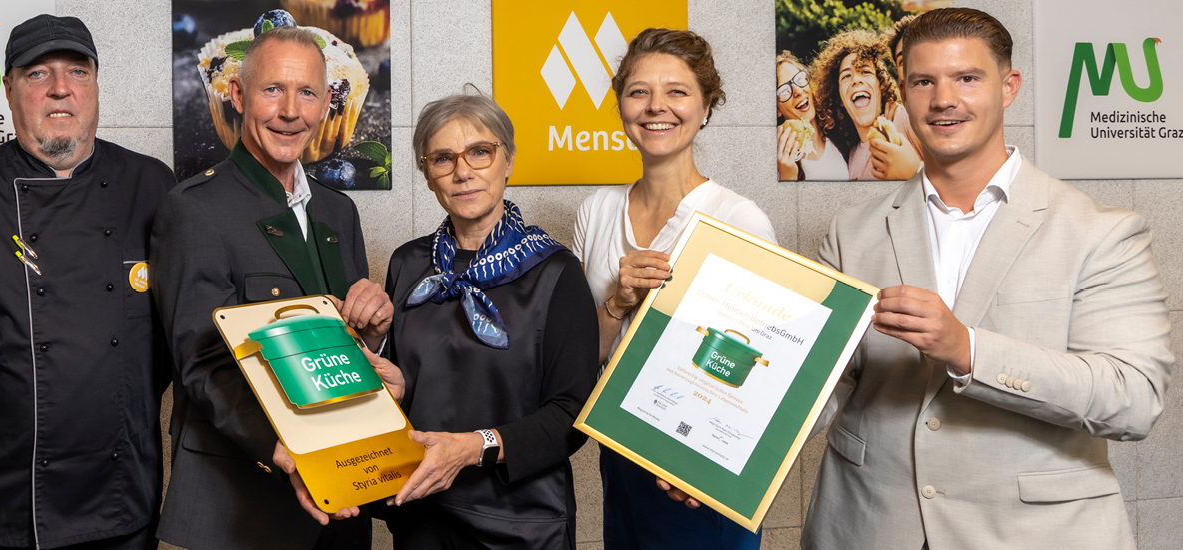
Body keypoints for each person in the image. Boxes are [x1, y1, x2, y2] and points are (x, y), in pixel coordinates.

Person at [804, 8, 1170, 548]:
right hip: (869, 524)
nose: (943, 99)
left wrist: (967, 348)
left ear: (1009, 87)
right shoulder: (850, 232)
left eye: (967, 78)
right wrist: (724, 454)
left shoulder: (1101, 232)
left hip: (1031, 533)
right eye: (923, 81)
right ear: (903, 93)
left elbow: (1132, 399)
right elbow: (821, 382)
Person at [0, 15, 176, 550]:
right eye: (38, 73)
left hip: (120, 499)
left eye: (77, 72)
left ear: (96, 86)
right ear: (9, 89)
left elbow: (175, 338)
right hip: (2, 504)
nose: (61, 88)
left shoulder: (151, 186)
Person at [151, 25, 394, 550]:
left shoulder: (338, 211)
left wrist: (371, 336)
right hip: (242, 509)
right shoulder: (194, 209)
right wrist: (287, 452)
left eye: (307, 92)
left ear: (327, 103)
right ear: (237, 95)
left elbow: (339, 350)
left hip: (342, 499)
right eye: (272, 90)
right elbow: (203, 363)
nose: (290, 111)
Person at [571, 28, 774, 550]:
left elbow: (761, 369)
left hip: (701, 468)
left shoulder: (738, 218)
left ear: (706, 107)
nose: (656, 106)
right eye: (639, 91)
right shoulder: (596, 212)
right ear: (620, 107)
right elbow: (579, 357)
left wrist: (706, 462)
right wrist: (616, 301)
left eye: (677, 91)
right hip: (620, 450)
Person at [373, 92, 597, 548]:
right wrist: (386, 382)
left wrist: (472, 448)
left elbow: (571, 416)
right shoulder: (408, 265)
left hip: (521, 523)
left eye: (480, 151)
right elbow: (396, 391)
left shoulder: (556, 272)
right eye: (442, 158)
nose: (463, 171)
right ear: (427, 174)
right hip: (423, 512)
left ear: (508, 161)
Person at [810, 28, 923, 181]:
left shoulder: (904, 120)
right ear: (840, 100)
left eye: (865, 72)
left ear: (880, 86)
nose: (856, 80)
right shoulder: (851, 155)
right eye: (846, 76)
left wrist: (915, 172)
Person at [776, 51, 849, 181]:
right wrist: (788, 178)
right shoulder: (777, 160)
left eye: (799, 79)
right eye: (784, 90)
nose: (798, 91)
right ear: (777, 109)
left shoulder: (841, 132)